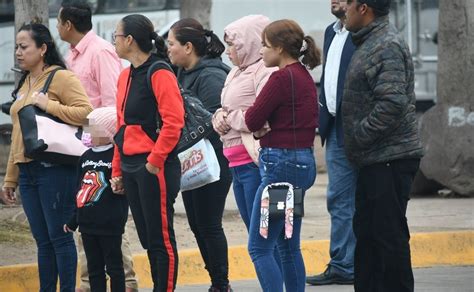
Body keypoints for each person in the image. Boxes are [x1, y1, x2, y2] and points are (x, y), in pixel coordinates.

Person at [1, 22, 93, 291]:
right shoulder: (26, 80)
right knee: (42, 240)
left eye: (24, 46)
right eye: (17, 46)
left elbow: (87, 113)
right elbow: (19, 134)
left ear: (42, 48)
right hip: (27, 171)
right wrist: (10, 179)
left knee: (60, 237)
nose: (18, 52)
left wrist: (47, 104)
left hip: (55, 169)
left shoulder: (60, 77)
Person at [56, 2, 138, 291]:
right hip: (85, 142)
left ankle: (125, 281)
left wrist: (106, 141)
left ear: (67, 24)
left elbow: (113, 102)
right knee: (87, 205)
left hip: (104, 138)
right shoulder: (73, 55)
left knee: (110, 213)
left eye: (58, 21)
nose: (57, 26)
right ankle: (90, 282)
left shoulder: (100, 51)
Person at [342, 1, 424, 291]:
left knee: (388, 237)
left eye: (348, 4)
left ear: (364, 8)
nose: (344, 10)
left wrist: (359, 135)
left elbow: (392, 103)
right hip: (373, 158)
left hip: (388, 157)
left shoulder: (385, 45)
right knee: (368, 235)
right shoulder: (369, 42)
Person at [244, 19, 321, 292]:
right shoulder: (303, 77)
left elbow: (253, 119)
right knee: (288, 246)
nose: (261, 52)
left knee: (259, 248)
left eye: (264, 46)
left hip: (280, 173)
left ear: (278, 48)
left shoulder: (280, 78)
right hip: (299, 167)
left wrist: (260, 128)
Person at [111, 14, 184, 292]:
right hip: (130, 165)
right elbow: (122, 127)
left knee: (160, 237)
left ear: (129, 40)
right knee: (146, 237)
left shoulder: (159, 71)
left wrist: (155, 161)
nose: (114, 42)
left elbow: (173, 122)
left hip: (156, 166)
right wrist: (117, 169)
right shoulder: (125, 75)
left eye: (116, 36)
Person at [167, 18, 233, 292]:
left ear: (189, 47)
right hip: (191, 162)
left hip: (214, 162)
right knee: (196, 223)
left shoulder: (211, 76)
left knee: (208, 223)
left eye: (172, 44)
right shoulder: (181, 72)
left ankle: (221, 284)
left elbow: (216, 122)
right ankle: (217, 282)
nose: (168, 49)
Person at [306, 0, 357, 286]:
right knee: (338, 198)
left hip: (362, 128)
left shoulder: (366, 34)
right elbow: (329, 78)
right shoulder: (330, 32)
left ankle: (354, 262)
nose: (334, 1)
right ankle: (342, 263)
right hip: (335, 127)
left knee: (364, 198)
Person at [64, 107, 128, 292]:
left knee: (115, 268)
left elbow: (125, 188)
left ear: (108, 132)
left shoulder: (118, 156)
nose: (87, 132)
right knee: (94, 270)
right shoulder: (84, 157)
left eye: (93, 128)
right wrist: (74, 220)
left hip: (110, 224)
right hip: (87, 225)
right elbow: (80, 191)